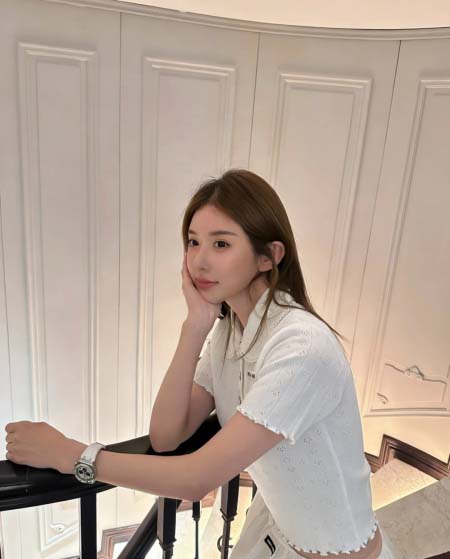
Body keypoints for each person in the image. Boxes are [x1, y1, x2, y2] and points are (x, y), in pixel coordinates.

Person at [4, 168, 396, 559]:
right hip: (275, 531)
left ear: (268, 256)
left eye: (221, 244)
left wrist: (73, 455)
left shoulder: (302, 348)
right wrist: (195, 326)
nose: (200, 261)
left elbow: (196, 479)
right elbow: (166, 436)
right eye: (193, 242)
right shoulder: (229, 330)